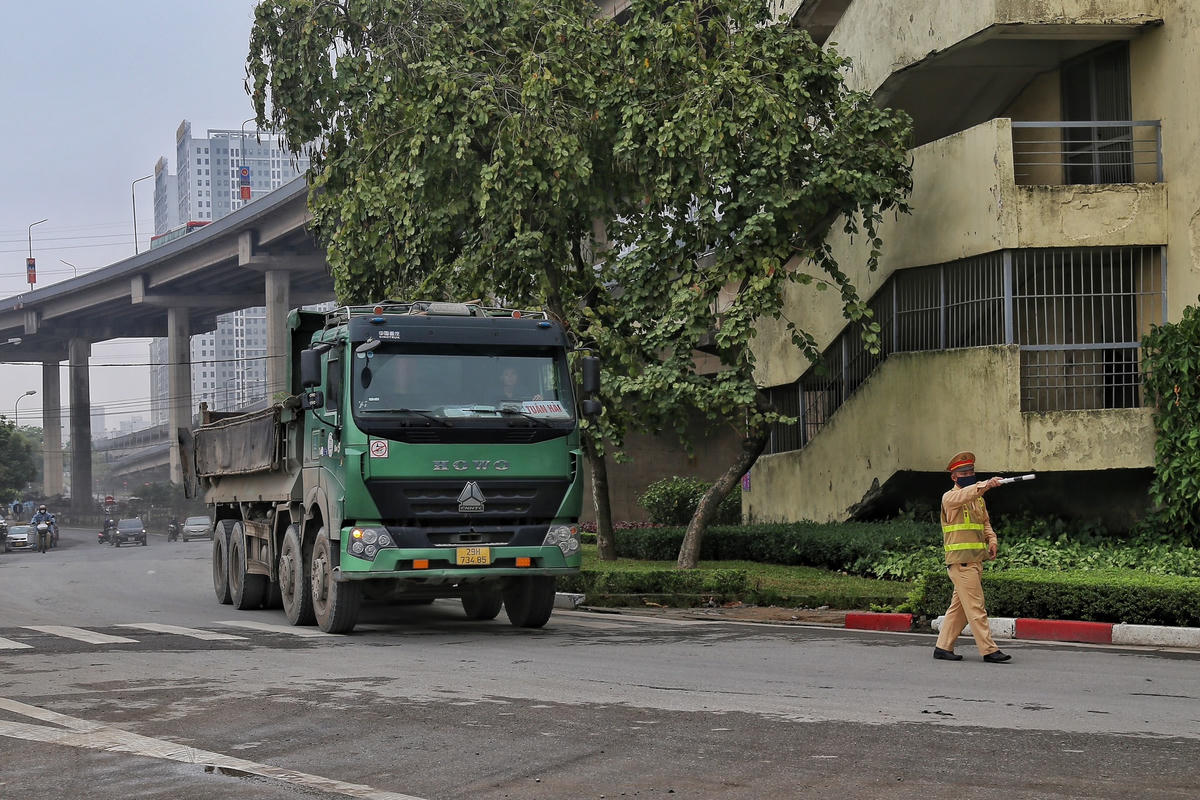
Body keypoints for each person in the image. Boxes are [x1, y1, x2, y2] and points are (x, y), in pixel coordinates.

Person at [933, 452, 1012, 664]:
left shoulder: (978, 501)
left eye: (971, 471)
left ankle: (942, 647)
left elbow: (985, 523)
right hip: (961, 562)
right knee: (976, 607)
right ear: (954, 477)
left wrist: (992, 540)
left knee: (958, 610)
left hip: (975, 561)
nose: (968, 474)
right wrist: (986, 484)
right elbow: (966, 494)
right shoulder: (950, 498)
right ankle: (988, 650)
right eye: (964, 472)